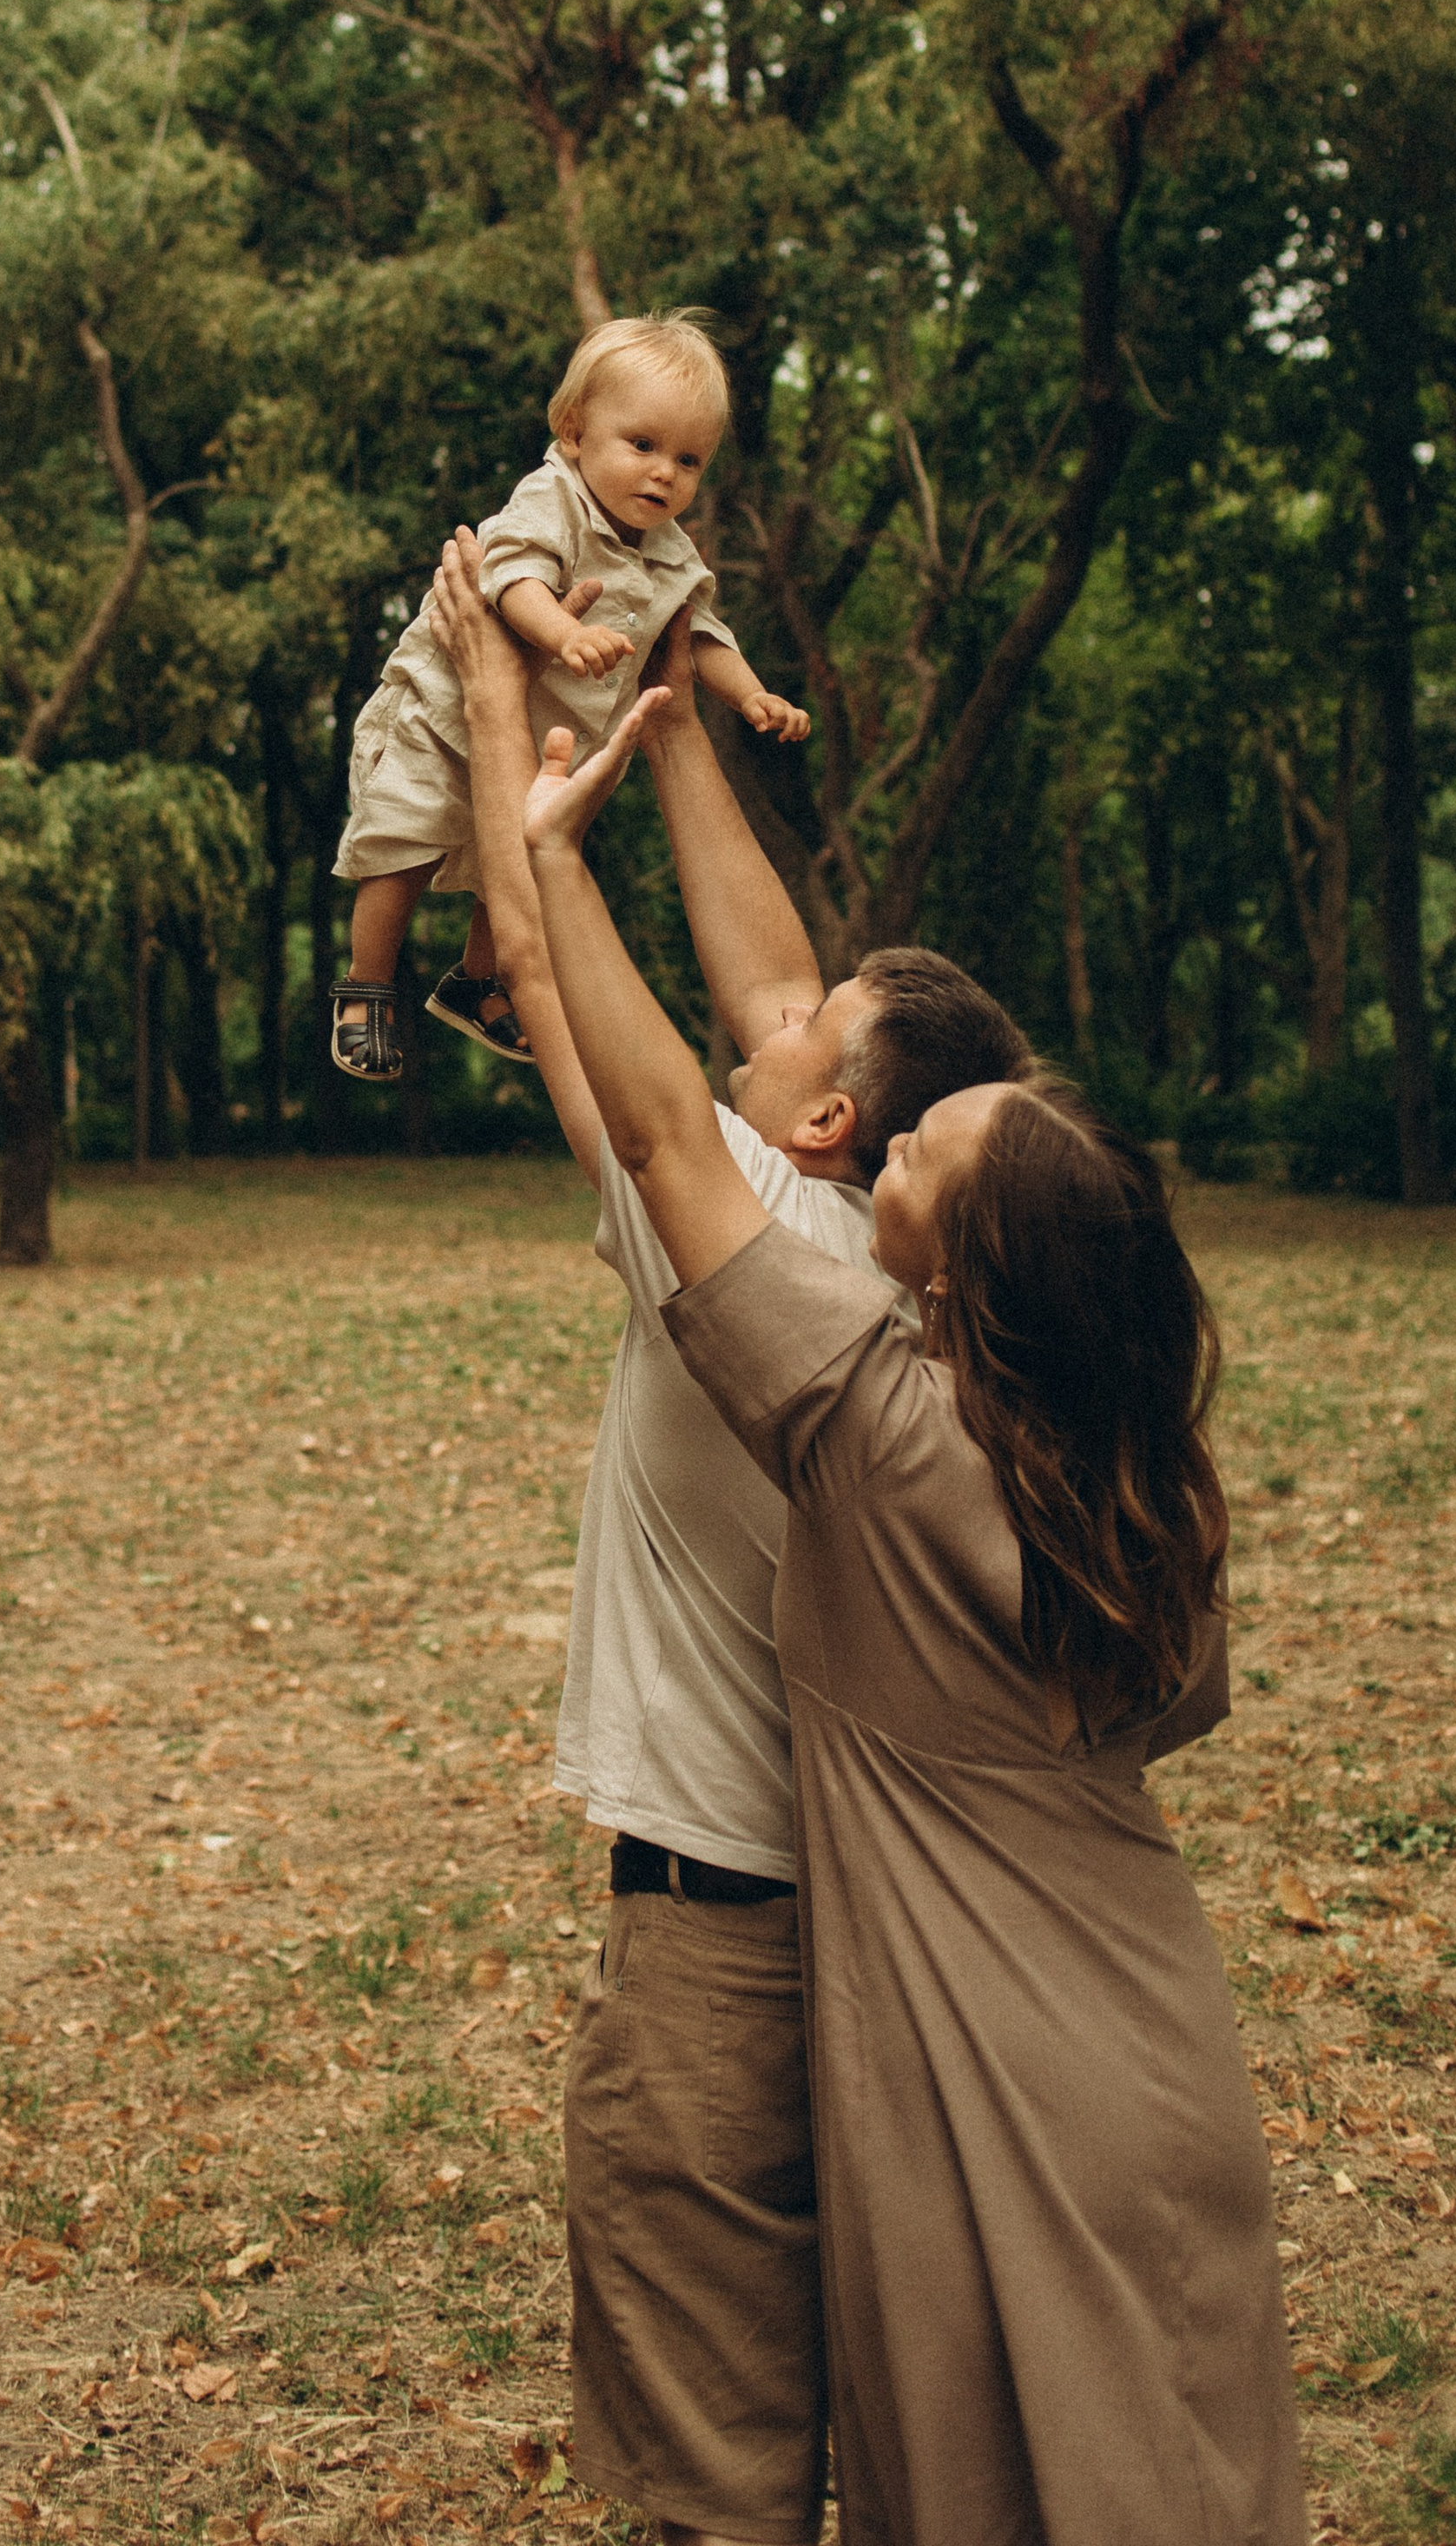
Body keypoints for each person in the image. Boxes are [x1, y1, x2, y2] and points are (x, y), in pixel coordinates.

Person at [518, 689, 1308, 2546]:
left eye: (924, 1154)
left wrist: (548, 849)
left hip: (979, 2055)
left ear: (954, 1260)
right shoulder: (1125, 1480)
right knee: (1154, 2464)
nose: (885, 1143)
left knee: (971, 2468)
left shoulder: (870, 1418)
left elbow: (659, 1124)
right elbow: (1168, 1710)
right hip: (1145, 2038)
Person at [426, 534, 1033, 2546]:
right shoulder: (936, 1297)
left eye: (798, 1033)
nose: (757, 1014)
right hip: (908, 1942)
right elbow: (776, 994)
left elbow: (548, 982)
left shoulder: (738, 1255)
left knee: (711, 2467)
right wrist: (672, 698)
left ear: (828, 1125)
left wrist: (505, 712)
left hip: (720, 1951)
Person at [328, 312, 806, 1084]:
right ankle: (367, 984)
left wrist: (753, 697)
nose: (664, 474)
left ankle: (477, 984)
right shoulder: (554, 498)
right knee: (402, 848)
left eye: (689, 460)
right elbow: (509, 575)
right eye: (643, 445)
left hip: (537, 748)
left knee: (513, 870)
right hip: (441, 722)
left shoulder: (671, 549)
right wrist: (563, 635)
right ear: (575, 432)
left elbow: (701, 633)